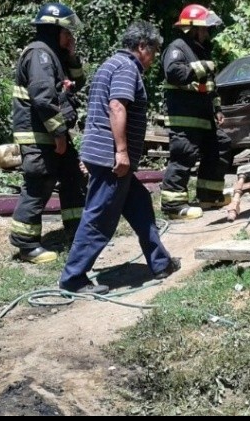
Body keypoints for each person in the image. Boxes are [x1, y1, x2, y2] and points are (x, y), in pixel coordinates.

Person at [59, 21, 180, 295]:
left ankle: (160, 262)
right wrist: (122, 151)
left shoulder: (110, 64)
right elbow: (115, 107)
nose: (155, 57)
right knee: (99, 218)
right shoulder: (127, 68)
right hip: (112, 159)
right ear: (141, 47)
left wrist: (91, 153)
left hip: (103, 154)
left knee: (139, 204)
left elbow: (98, 110)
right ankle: (73, 278)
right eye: (154, 50)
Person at [9, 2, 87, 264]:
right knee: (39, 185)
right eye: (67, 32)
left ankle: (77, 232)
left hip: (52, 133)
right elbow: (42, 98)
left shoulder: (54, 54)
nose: (70, 37)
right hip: (40, 135)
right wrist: (59, 134)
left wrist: (72, 54)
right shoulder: (40, 55)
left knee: (73, 178)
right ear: (54, 30)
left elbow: (80, 80)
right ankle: (26, 245)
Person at [159, 4, 234, 220]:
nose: (207, 33)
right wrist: (202, 66)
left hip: (204, 117)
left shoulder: (200, 49)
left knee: (220, 145)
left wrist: (217, 108)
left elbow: (210, 86)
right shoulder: (178, 48)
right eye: (205, 29)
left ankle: (209, 196)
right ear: (192, 28)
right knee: (184, 155)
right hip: (184, 117)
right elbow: (174, 74)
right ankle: (174, 206)